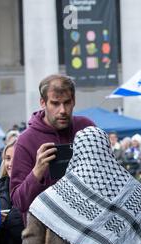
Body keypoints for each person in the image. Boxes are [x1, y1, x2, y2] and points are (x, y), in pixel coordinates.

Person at [10, 74, 94, 222]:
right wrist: (37, 173)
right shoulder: (26, 140)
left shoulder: (86, 128)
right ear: (43, 103)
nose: (62, 110)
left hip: (88, 228)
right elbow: (19, 202)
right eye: (55, 103)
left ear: (74, 101)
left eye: (67, 102)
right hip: (46, 235)